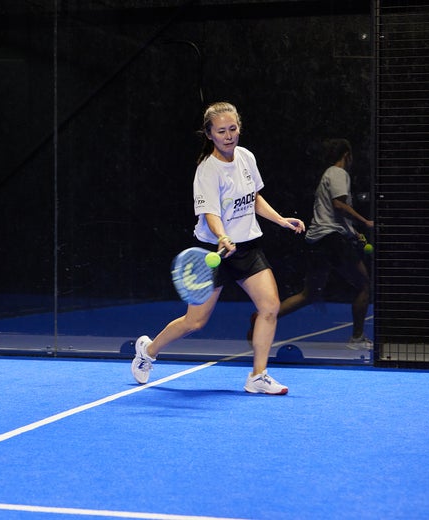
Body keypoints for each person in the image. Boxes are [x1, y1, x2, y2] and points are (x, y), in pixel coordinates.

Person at [131, 101, 305, 394]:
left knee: (270, 306)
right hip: (215, 252)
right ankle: (148, 351)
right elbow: (210, 213)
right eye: (221, 131)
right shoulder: (207, 170)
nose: (228, 136)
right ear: (209, 134)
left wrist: (280, 220)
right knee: (194, 322)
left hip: (247, 249)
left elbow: (253, 198)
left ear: (239, 128)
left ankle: (258, 376)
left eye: (233, 129)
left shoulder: (247, 157)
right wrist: (223, 237)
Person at [248, 138, 374, 349]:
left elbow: (332, 213)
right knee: (364, 284)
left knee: (309, 294)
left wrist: (353, 233)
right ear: (346, 155)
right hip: (332, 240)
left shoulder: (327, 175)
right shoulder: (338, 173)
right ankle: (357, 339)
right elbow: (338, 205)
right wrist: (365, 222)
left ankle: (261, 316)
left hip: (318, 241)